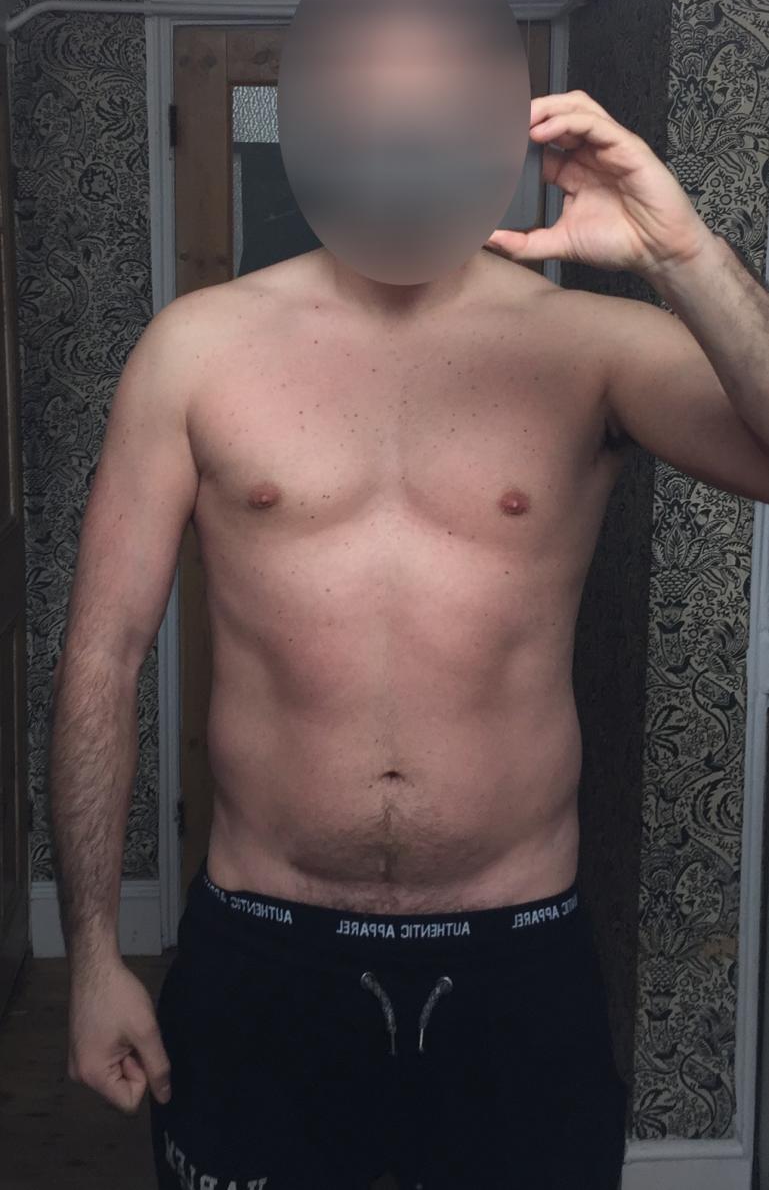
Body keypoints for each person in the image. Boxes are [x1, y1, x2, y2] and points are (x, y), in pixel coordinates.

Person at [49, 90, 769, 1190]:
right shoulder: (195, 348)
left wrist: (679, 253)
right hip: (263, 941)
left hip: (516, 954)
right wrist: (94, 955)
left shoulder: (588, 345)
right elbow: (103, 652)